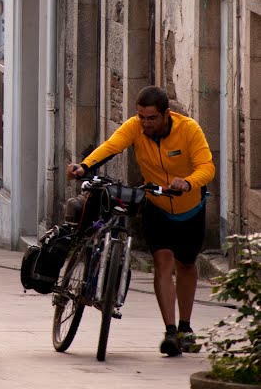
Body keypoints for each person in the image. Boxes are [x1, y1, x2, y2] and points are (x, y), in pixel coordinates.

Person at [67, 85, 215, 357]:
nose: (145, 124)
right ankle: (171, 331)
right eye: (141, 117)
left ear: (165, 114)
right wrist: (84, 166)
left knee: (187, 264)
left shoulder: (189, 129)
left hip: (190, 208)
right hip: (156, 204)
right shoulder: (135, 127)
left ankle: (185, 326)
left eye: (151, 118)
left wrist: (188, 182)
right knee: (163, 261)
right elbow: (112, 146)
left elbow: (207, 166)